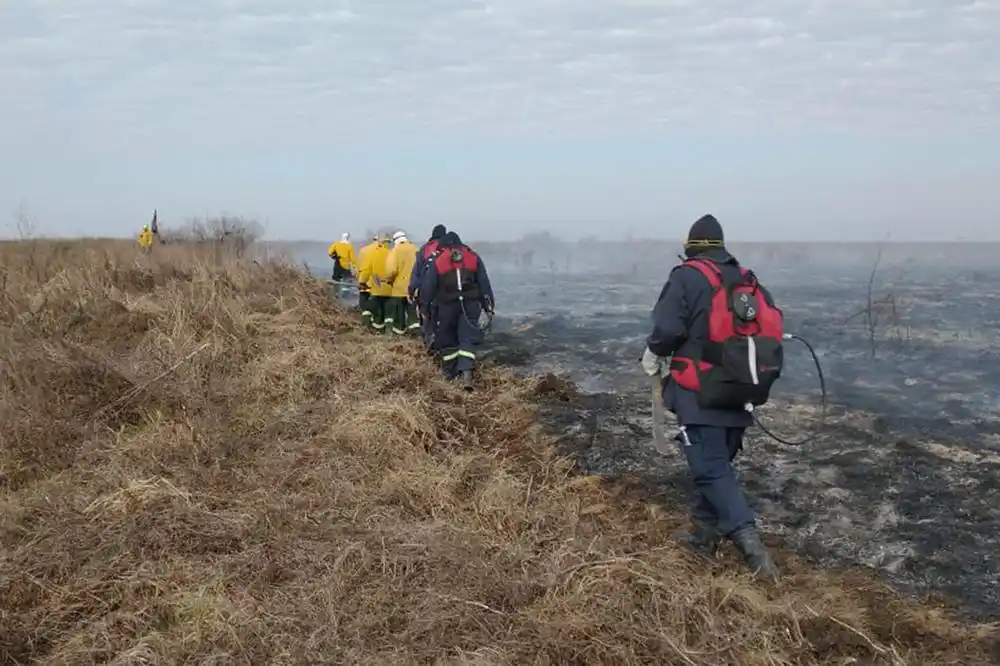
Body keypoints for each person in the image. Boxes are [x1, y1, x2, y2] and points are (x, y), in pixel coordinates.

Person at [640, 214, 783, 581]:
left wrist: (655, 351)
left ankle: (754, 553)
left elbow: (666, 329)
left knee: (709, 468)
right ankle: (703, 536)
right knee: (718, 464)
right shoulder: (746, 278)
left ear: (691, 246)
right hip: (740, 388)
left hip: (698, 389)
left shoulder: (687, 275)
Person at [419, 231, 494, 390]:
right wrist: (488, 306)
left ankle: (450, 375)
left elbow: (428, 287)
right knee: (467, 338)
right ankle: (466, 374)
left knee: (448, 339)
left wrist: (424, 308)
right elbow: (484, 283)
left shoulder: (438, 261)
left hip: (447, 306)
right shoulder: (473, 257)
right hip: (471, 305)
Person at [409, 224, 447, 348]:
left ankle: (428, 343)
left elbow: (417, 272)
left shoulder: (425, 249)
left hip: (425, 291)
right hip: (444, 291)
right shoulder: (448, 249)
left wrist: (412, 290)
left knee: (427, 319)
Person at [384, 230, 420, 336]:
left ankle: (399, 336)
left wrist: (389, 280)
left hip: (398, 289)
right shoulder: (416, 249)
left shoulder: (395, 251)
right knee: (413, 314)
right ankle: (416, 336)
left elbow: (391, 270)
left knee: (398, 316)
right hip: (414, 289)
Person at [356, 233, 392, 332]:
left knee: (365, 306)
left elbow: (360, 267)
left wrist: (360, 280)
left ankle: (366, 326)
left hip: (367, 282)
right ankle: (380, 328)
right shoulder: (389, 252)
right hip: (381, 285)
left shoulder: (364, 250)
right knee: (381, 307)